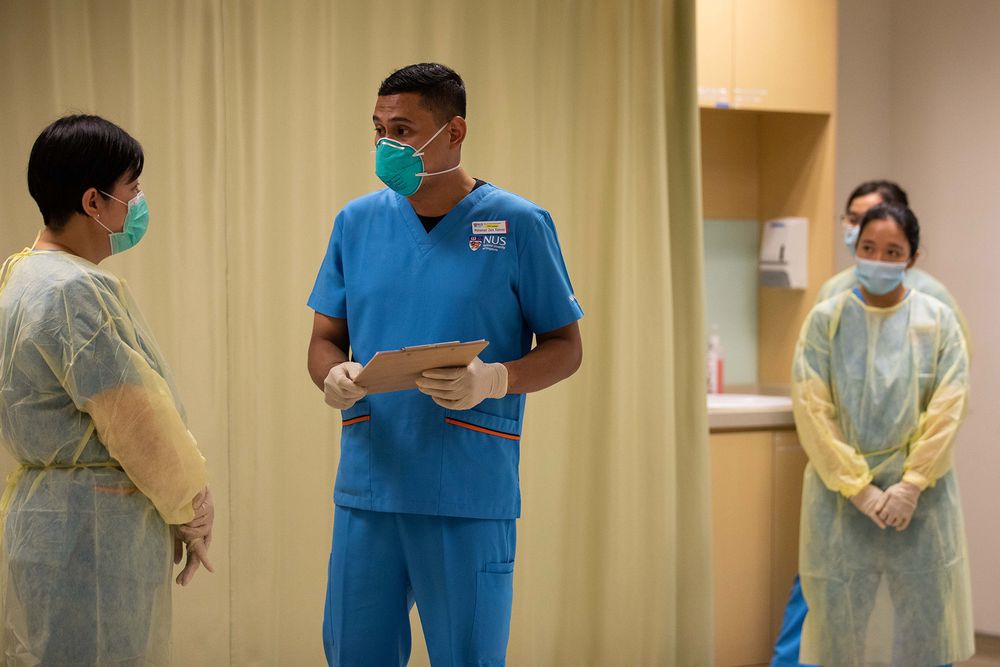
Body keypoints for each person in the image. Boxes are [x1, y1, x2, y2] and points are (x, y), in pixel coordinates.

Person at [307, 63, 583, 665]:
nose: (387, 146)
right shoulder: (356, 223)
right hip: (371, 485)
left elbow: (566, 346)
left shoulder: (517, 225)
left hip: (467, 490)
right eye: (378, 129)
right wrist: (331, 373)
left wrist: (496, 378)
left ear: (454, 131)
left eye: (403, 130)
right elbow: (325, 338)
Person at [0, 115, 216, 665]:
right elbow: (136, 420)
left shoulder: (20, 276)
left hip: (48, 522)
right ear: (94, 202)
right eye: (133, 189)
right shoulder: (75, 290)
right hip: (93, 532)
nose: (139, 203)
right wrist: (191, 506)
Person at [771, 180, 970, 667]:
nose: (878, 259)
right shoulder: (827, 318)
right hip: (841, 503)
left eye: (892, 250)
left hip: (919, 504)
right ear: (855, 246)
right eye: (868, 248)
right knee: (838, 625)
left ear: (913, 256)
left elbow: (948, 404)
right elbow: (812, 407)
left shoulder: (937, 318)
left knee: (922, 627)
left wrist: (912, 483)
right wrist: (857, 486)